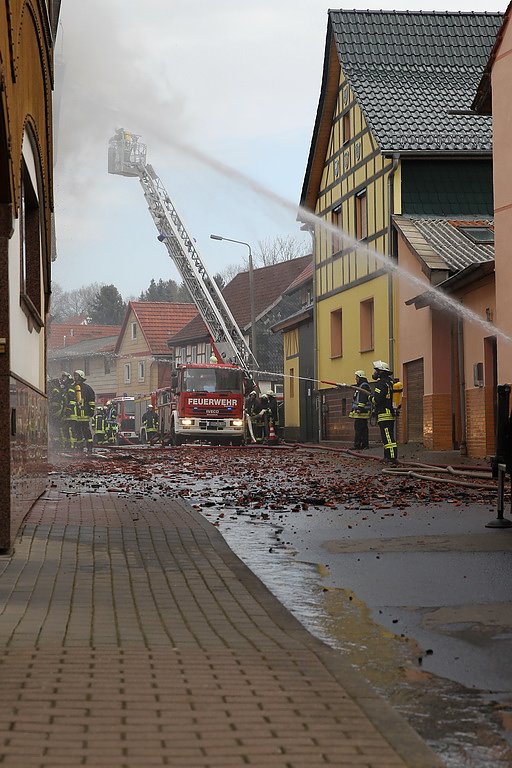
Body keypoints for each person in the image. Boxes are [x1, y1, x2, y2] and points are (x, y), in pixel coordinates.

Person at [371, 360, 398, 463]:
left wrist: (370, 398)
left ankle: (391, 457)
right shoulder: (391, 382)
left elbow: (377, 399)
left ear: (381, 372)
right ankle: (388, 456)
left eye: (376, 370)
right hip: (390, 413)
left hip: (384, 414)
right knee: (388, 436)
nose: (375, 372)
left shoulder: (381, 383)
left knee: (387, 437)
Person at [73, 370, 96, 453]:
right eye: (74, 375)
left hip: (84, 414)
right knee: (77, 431)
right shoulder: (72, 387)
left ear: (81, 376)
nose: (75, 377)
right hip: (75, 414)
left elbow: (92, 400)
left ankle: (90, 446)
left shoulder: (87, 388)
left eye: (76, 376)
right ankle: (79, 447)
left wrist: (91, 410)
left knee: (86, 431)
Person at [349, 370, 371, 449]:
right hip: (361, 412)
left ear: (360, 377)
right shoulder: (361, 386)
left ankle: (358, 445)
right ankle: (364, 445)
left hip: (361, 412)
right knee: (363, 429)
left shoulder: (363, 386)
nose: (356, 379)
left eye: (357, 377)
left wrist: (360, 408)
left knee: (359, 429)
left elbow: (363, 398)